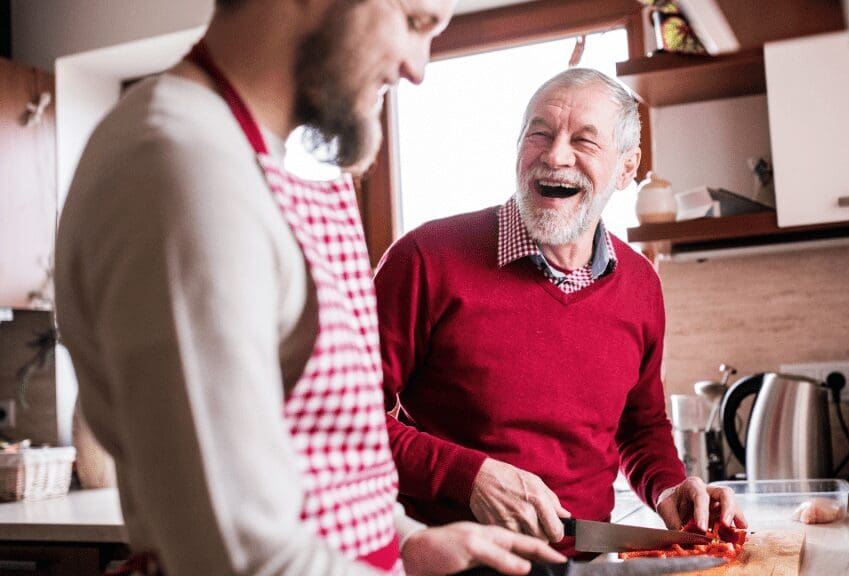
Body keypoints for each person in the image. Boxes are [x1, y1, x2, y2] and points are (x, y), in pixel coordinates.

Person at [54, 0, 566, 575]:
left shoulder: (238, 156)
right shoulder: (184, 168)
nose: (417, 67)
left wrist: (403, 544)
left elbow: (307, 460)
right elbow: (238, 556)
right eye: (416, 22)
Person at [374, 68, 745, 548]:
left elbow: (641, 426)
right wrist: (468, 477)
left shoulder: (641, 285)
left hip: (587, 560)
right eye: (539, 134)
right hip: (447, 561)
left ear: (627, 167)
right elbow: (344, 419)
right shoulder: (425, 258)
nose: (555, 156)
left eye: (585, 141)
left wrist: (668, 487)